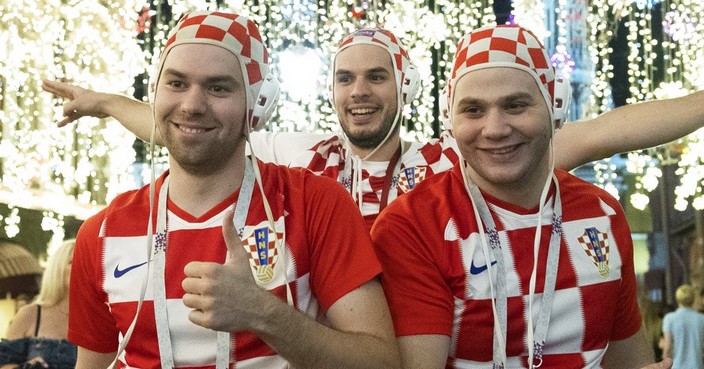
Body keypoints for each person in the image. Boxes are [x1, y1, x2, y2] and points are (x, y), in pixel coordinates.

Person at [42, 28, 704, 229]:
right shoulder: (291, 155)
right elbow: (190, 130)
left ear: (406, 88)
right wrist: (103, 102)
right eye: (345, 78)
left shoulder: (458, 157)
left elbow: (600, 132)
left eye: (376, 77)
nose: (359, 91)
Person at [67, 11, 399, 369]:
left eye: (218, 87)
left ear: (257, 107)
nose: (192, 106)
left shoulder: (314, 204)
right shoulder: (101, 233)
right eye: (176, 84)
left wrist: (263, 314)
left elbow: (380, 361)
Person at [371, 24, 671, 369]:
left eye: (515, 105)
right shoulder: (411, 225)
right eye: (473, 110)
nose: (495, 129)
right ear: (449, 119)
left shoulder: (602, 213)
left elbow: (628, 359)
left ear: (556, 108)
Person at [0, 240, 77, 369]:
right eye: (72, 261)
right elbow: (4, 363)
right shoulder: (30, 314)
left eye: (85, 261)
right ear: (57, 269)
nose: (81, 266)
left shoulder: (98, 317)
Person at [662, 284, 704, 368]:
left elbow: (668, 347)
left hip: (677, 366)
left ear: (677, 299)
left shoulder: (669, 319)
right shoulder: (701, 319)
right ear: (693, 299)